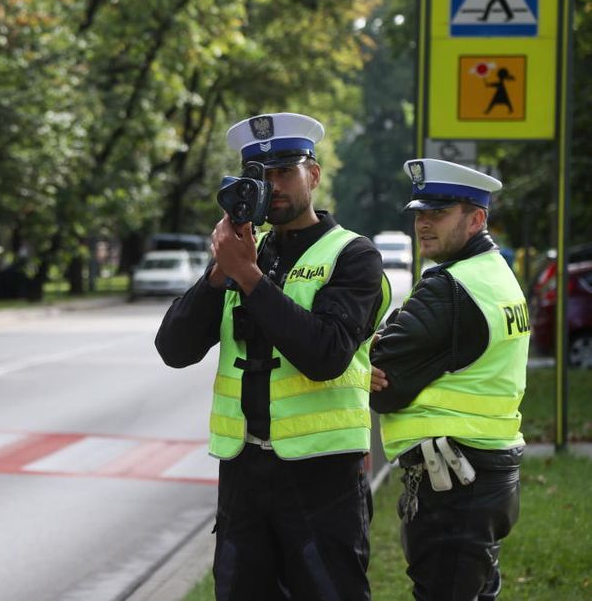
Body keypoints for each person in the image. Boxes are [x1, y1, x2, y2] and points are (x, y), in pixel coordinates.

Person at [155, 112, 389, 601]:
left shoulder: (352, 255)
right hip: (244, 474)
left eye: (286, 170)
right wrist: (220, 274)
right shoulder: (242, 251)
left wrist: (252, 279)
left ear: (314, 175)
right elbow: (174, 350)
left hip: (321, 476)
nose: (273, 185)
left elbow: (326, 354)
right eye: (258, 176)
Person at [370, 158, 527, 600]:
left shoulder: (450, 289)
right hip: (486, 476)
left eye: (437, 214)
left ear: (476, 219)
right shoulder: (496, 276)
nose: (423, 224)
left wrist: (372, 350)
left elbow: (386, 380)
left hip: (455, 488)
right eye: (420, 213)